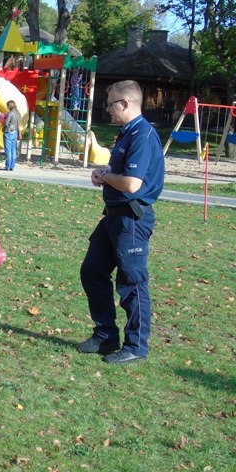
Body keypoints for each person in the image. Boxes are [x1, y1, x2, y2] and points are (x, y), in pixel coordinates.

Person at [77, 80, 165, 365]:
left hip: (132, 221)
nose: (108, 109)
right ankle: (105, 336)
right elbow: (121, 174)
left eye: (111, 104)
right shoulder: (127, 133)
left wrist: (106, 177)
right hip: (112, 218)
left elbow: (131, 184)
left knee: (131, 282)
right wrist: (104, 172)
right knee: (92, 271)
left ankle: (136, 346)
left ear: (125, 103)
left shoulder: (142, 136)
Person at [3, 100, 21, 171]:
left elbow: (6, 123)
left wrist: (3, 128)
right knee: (13, 150)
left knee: (8, 150)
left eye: (7, 105)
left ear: (9, 106)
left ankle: (7, 166)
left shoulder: (10, 113)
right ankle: (12, 166)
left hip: (9, 132)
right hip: (15, 132)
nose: (7, 107)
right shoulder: (18, 113)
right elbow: (18, 124)